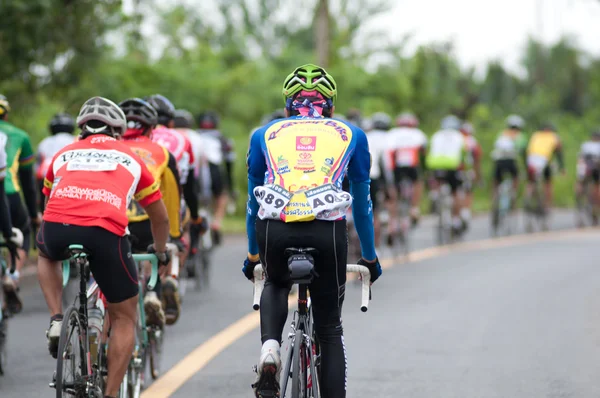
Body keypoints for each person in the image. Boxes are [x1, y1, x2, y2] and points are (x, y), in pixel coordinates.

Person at [244, 63, 382, 398]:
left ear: (288, 103)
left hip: (275, 227)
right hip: (326, 231)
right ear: (331, 104)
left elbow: (252, 202)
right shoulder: (352, 134)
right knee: (330, 327)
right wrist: (370, 258)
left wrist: (252, 255)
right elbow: (362, 207)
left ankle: (270, 348)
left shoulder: (265, 134)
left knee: (276, 281)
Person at [36, 96, 171, 398]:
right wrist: (160, 249)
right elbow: (159, 217)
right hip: (105, 233)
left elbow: (47, 203)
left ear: (82, 129)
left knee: (45, 253)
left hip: (58, 227)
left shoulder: (62, 154)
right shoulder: (131, 157)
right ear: (118, 131)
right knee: (124, 318)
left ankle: (57, 318)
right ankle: (110, 394)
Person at [120, 98, 186, 327]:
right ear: (151, 128)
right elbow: (171, 198)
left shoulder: (109, 150)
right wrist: (175, 235)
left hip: (114, 222)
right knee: (159, 249)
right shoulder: (162, 152)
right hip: (147, 220)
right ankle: (152, 292)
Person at [146, 94, 202, 323]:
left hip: (136, 203)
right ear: (170, 121)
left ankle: (148, 283)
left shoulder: (137, 137)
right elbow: (189, 184)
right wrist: (196, 215)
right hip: (170, 202)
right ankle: (172, 274)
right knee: (180, 232)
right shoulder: (181, 139)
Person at [0, 94, 39, 314]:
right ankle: (12, 275)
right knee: (21, 232)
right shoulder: (20, 136)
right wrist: (34, 215)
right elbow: (27, 180)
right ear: (6, 113)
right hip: (9, 194)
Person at [196, 110, 236, 241]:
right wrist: (230, 187)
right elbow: (229, 164)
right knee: (221, 197)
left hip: (197, 171)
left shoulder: (194, 136)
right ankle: (216, 223)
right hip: (215, 170)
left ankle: (195, 221)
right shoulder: (222, 138)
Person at [426, 115, 468, 233]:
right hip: (452, 165)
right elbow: (464, 154)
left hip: (435, 164)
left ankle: (434, 193)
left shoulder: (436, 135)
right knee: (456, 192)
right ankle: (456, 220)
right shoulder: (460, 136)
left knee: (436, 178)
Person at [387, 112, 428, 225]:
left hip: (397, 166)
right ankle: (414, 208)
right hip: (412, 165)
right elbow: (423, 150)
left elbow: (388, 150)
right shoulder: (417, 133)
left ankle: (393, 219)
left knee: (393, 188)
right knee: (418, 182)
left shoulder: (392, 133)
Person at [491, 115, 528, 227]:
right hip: (511, 161)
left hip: (498, 161)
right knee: (516, 177)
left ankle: (494, 200)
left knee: (496, 181)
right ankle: (513, 197)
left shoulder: (501, 134)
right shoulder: (520, 136)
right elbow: (523, 153)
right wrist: (526, 167)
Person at [36, 113, 76, 212]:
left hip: (45, 178)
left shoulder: (44, 142)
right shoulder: (75, 140)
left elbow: (38, 165)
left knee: (45, 208)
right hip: (68, 177)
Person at [525, 122, 565, 216]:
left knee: (531, 181)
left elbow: (528, 149)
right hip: (544, 159)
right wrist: (562, 167)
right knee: (548, 183)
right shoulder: (554, 136)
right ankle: (548, 205)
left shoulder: (535, 135)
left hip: (531, 159)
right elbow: (559, 153)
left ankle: (528, 196)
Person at [365, 112, 392, 246]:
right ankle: (375, 246)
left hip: (362, 174)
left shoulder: (366, 135)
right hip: (377, 174)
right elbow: (386, 163)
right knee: (375, 211)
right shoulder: (389, 137)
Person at [459, 121, 482, 229]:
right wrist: (478, 176)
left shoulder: (455, 138)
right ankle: (466, 212)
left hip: (454, 169)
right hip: (467, 169)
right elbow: (477, 160)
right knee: (468, 191)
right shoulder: (472, 141)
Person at [575, 130, 600, 224]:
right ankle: (595, 204)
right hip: (594, 167)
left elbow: (580, 158)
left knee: (580, 181)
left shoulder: (585, 144)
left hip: (584, 166)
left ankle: (579, 194)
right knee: (597, 186)